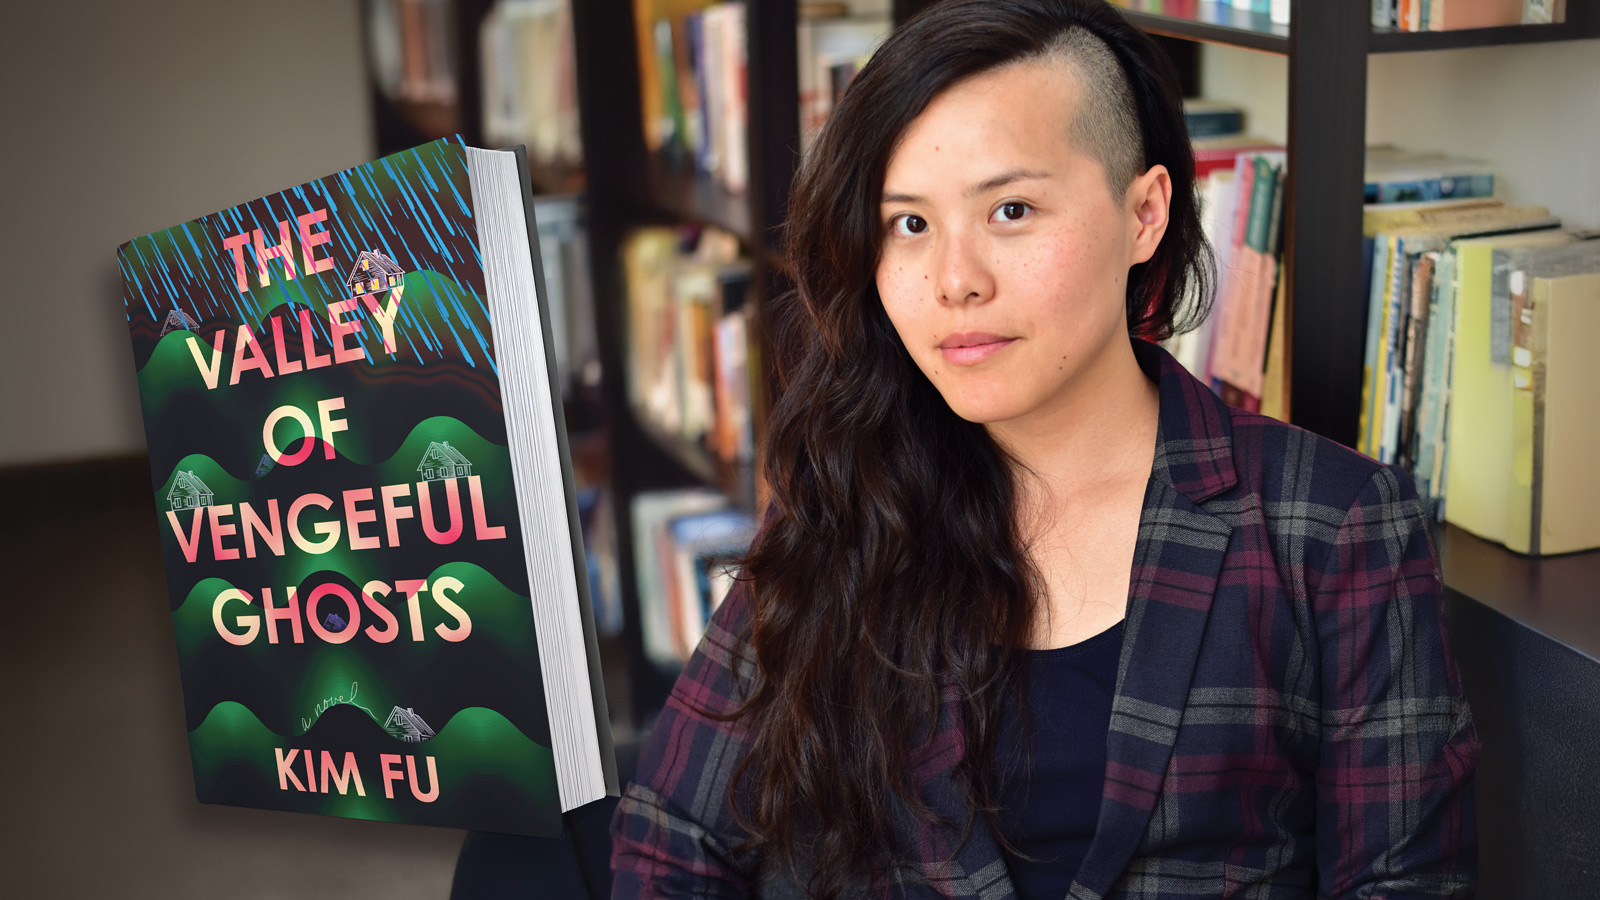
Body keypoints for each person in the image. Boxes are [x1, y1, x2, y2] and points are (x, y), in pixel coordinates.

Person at [609, 0, 1480, 897]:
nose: (955, 281)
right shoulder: (853, 485)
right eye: (908, 224)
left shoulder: (1331, 528)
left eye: (1012, 209)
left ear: (1144, 215)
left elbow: (1402, 884)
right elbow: (673, 833)